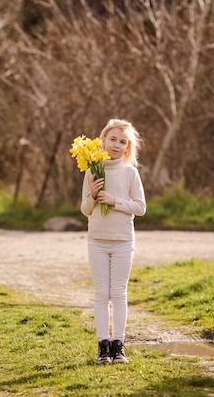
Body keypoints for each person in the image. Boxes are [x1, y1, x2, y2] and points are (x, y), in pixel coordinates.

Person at [79, 118, 146, 364]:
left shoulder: (130, 173)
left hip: (122, 241)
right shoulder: (92, 169)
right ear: (103, 140)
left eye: (123, 142)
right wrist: (94, 196)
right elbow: (85, 209)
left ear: (127, 147)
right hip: (97, 240)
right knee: (101, 293)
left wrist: (115, 201)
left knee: (118, 293)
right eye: (113, 139)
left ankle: (119, 345)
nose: (116, 145)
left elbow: (140, 207)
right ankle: (102, 346)